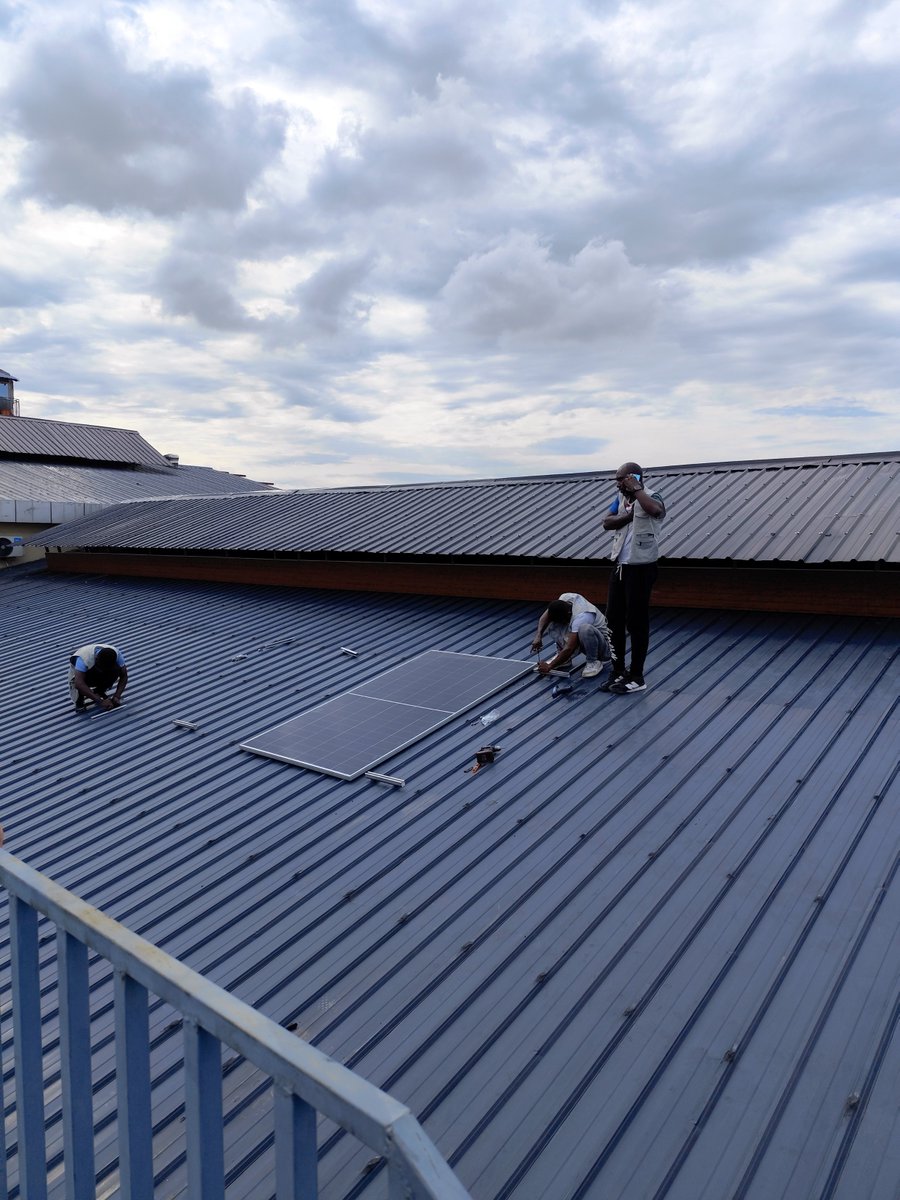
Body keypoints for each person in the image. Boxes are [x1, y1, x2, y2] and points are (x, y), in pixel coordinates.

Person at [601, 462, 665, 694]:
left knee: (636, 622)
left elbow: (656, 511)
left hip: (641, 567)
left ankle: (636, 676)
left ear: (633, 477)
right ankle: (618, 671)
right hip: (620, 566)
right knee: (613, 620)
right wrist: (627, 516)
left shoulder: (650, 496)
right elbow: (607, 522)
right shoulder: (620, 498)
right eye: (617, 479)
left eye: (621, 478)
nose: (618, 483)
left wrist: (637, 490)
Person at [531, 593, 611, 678]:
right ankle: (564, 659)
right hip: (586, 641)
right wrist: (538, 636)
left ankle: (593, 661)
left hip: (605, 648)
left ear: (569, 613)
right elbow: (545, 617)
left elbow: (570, 648)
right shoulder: (564, 598)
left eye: (563, 619)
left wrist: (549, 666)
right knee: (553, 624)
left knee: (585, 629)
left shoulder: (583, 616)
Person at [68, 643, 128, 712]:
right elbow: (79, 683)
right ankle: (80, 700)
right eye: (102, 667)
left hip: (97, 671)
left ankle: (100, 691)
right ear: (96, 659)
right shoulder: (83, 659)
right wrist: (100, 701)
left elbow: (124, 675)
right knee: (78, 684)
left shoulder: (116, 655)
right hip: (84, 675)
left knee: (116, 670)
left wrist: (117, 696)